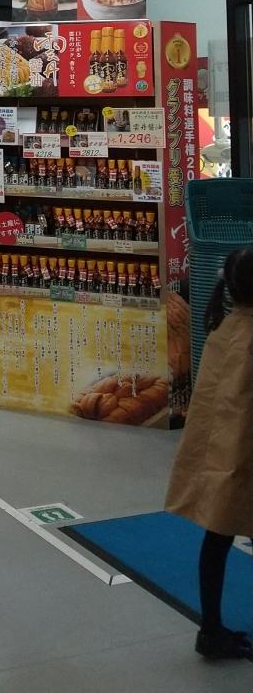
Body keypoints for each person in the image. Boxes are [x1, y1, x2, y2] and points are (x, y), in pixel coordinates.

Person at [165, 248, 253, 662]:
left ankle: (211, 629)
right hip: (243, 453)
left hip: (221, 453)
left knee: (217, 536)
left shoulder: (223, 328)